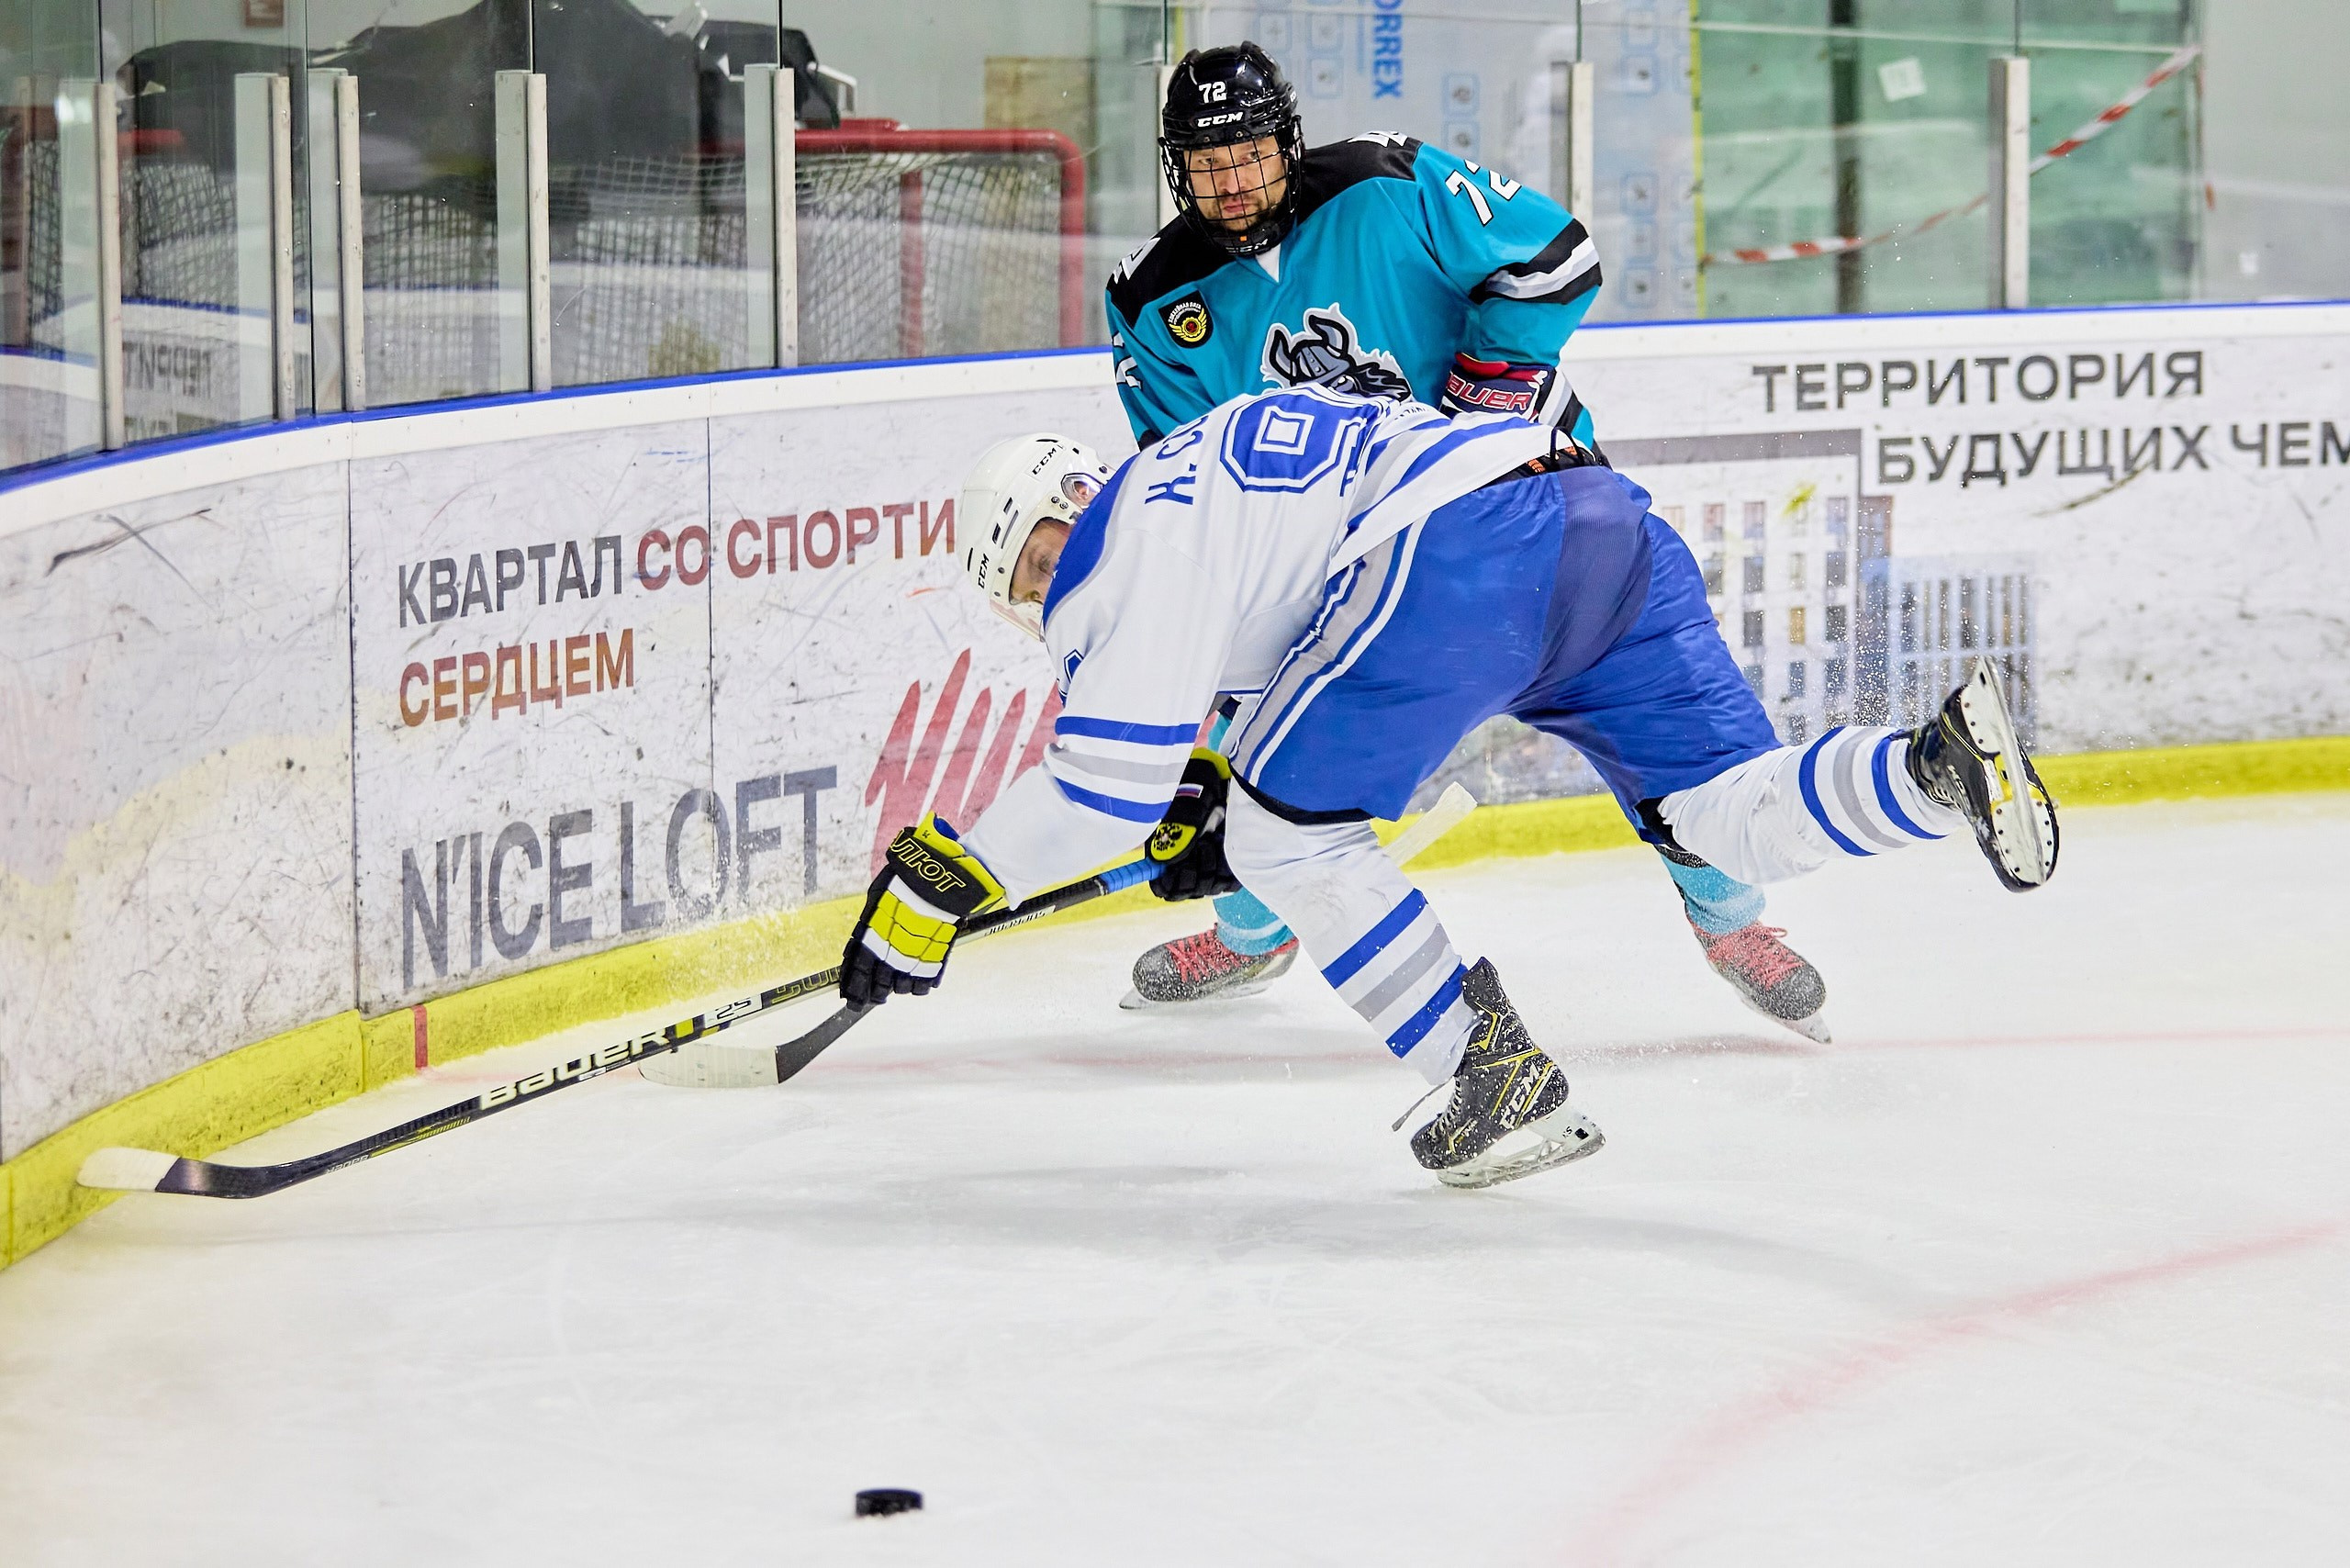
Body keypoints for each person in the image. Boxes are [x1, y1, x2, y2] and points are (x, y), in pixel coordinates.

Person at [836, 391, 2059, 1190]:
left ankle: (1490, 1074)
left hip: (1456, 556)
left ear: (1045, 534)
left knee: (1286, 842)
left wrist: (937, 885)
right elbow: (1256, 663)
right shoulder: (1182, 479)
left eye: (1032, 569)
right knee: (1720, 813)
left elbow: (1101, 787)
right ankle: (1928, 767)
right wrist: (1212, 788)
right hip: (1594, 520)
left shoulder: (1122, 546)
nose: (1046, 590)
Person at [1102, 42, 1828, 1044]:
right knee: (1272, 731)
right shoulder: (1152, 303)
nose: (1233, 183)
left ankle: (1729, 915)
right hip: (1351, 551)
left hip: (1524, 500)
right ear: (1176, 167)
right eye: (1207, 162)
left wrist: (1485, 394)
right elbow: (1190, 476)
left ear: (1289, 141)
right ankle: (1251, 922)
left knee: (1653, 715)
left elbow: (1556, 255)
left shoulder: (1383, 182)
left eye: (1252, 153)